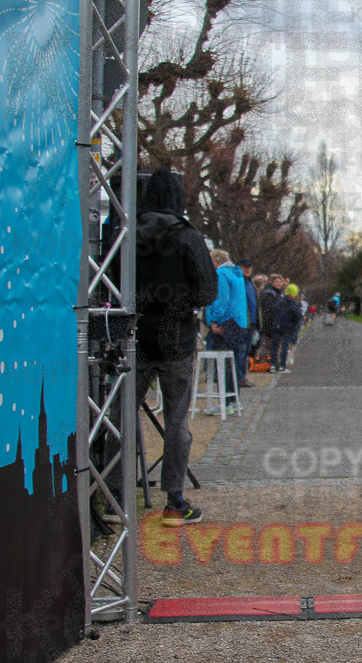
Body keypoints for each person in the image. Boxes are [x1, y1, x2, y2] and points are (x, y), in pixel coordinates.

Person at [134, 168, 218, 526]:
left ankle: (110, 493)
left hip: (134, 335)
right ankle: (174, 501)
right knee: (177, 421)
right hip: (176, 338)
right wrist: (178, 303)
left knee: (119, 416)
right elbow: (207, 292)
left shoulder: (126, 235)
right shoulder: (188, 237)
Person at [205, 249, 248, 414]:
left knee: (222, 365)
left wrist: (214, 320)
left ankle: (225, 403)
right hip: (239, 322)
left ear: (215, 261)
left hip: (226, 322)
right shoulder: (237, 275)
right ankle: (234, 400)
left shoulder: (221, 274)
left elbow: (221, 300)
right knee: (232, 364)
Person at [271, 283, 303, 372]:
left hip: (277, 326)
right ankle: (282, 366)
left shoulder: (279, 301)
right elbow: (298, 317)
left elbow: (274, 312)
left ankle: (272, 365)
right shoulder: (294, 303)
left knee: (275, 347)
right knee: (285, 347)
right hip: (288, 328)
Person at [236, 258, 257, 389]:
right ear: (240, 267)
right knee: (241, 351)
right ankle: (240, 378)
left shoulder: (250, 283)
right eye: (245, 267)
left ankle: (242, 376)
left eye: (249, 267)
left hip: (251, 322)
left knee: (246, 351)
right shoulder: (239, 282)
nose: (248, 269)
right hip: (242, 322)